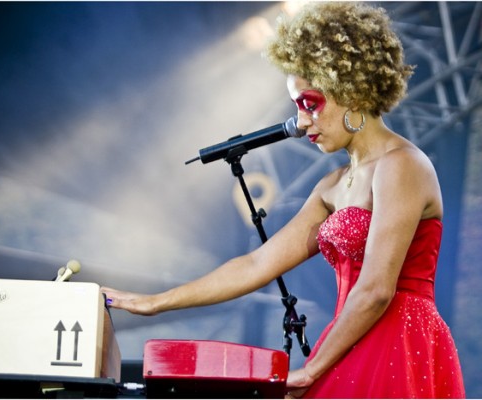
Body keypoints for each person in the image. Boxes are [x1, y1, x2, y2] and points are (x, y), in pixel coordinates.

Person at [101, 2, 465, 398]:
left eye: (311, 103)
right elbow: (257, 264)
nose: (301, 122)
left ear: (351, 88)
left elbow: (377, 290)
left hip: (399, 341)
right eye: (297, 107)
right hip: (352, 336)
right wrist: (157, 302)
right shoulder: (331, 186)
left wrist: (312, 370)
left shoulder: (402, 165)